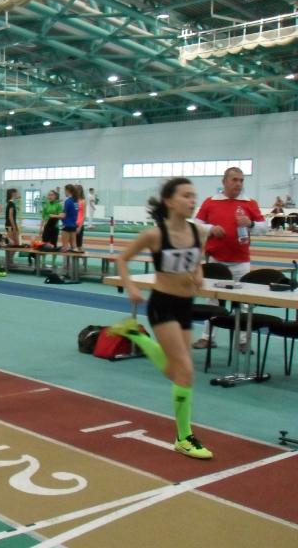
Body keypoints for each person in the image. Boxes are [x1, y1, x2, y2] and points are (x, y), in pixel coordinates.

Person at [112, 177, 212, 460]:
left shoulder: (198, 232)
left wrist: (198, 274)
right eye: (185, 196)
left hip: (186, 305)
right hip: (162, 305)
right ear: (169, 201)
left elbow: (198, 261)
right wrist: (131, 287)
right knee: (186, 372)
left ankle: (137, 336)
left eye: (194, 196)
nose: (192, 201)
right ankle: (184, 437)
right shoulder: (154, 235)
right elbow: (122, 259)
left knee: (177, 372)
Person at [192, 166, 266, 351]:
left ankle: (243, 341)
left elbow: (264, 228)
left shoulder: (250, 203)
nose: (238, 184)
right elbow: (195, 225)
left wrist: (251, 223)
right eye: (234, 180)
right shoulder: (210, 202)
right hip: (216, 261)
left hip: (241, 261)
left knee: (244, 302)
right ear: (224, 182)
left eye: (241, 180)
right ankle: (207, 338)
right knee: (213, 300)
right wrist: (211, 228)